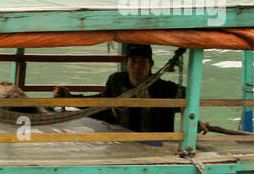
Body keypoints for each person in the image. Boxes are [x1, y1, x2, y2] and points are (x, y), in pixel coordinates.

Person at [53, 43, 188, 133]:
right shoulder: (116, 81)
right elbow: (102, 105)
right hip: (123, 143)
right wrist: (71, 98)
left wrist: (194, 123)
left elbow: (190, 101)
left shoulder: (165, 89)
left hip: (158, 145)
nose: (137, 67)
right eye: (133, 61)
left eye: (142, 62)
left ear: (150, 64)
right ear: (125, 63)